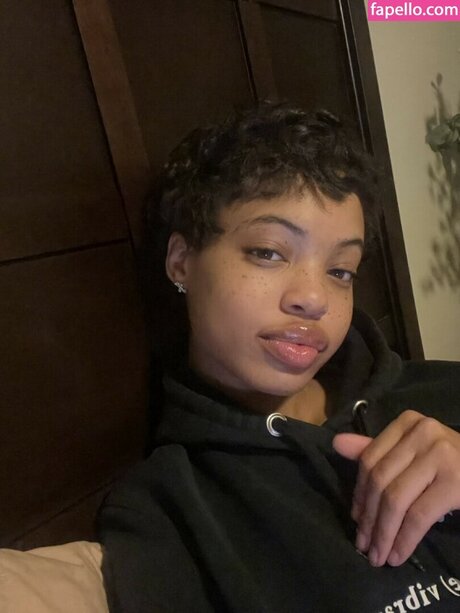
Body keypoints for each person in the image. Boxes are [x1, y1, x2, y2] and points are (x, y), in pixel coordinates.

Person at [1, 103, 459, 612]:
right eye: (269, 252)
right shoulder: (172, 513)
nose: (314, 299)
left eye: (340, 271)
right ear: (182, 261)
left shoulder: (442, 392)